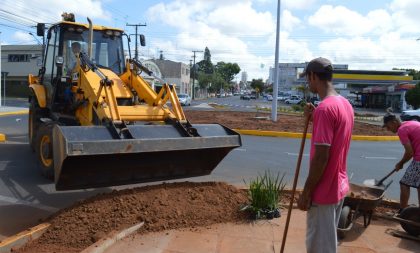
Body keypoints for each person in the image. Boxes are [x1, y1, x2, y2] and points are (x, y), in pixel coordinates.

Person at [297, 57, 354, 253]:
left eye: (307, 78)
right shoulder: (345, 104)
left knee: (320, 248)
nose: (307, 82)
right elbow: (335, 136)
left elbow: (321, 157)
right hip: (338, 187)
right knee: (328, 243)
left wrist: (306, 193)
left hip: (323, 191)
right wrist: (314, 118)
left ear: (313, 76)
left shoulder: (325, 109)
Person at [383, 112, 420, 210]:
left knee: (404, 183)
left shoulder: (401, 130)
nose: (388, 129)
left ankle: (402, 212)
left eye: (388, 126)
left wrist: (400, 163)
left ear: (394, 122)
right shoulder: (410, 123)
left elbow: (409, 152)